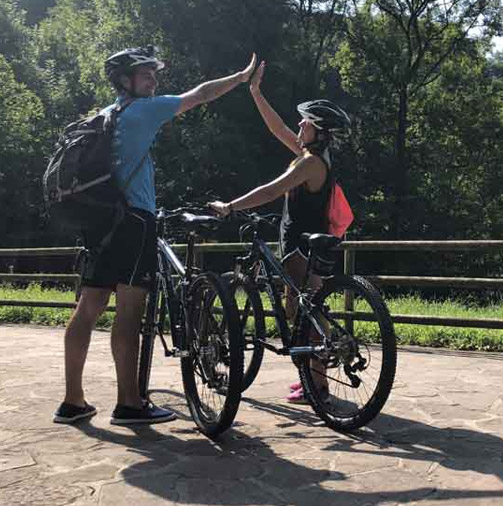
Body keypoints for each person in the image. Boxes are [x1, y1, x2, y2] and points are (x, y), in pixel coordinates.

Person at [53, 46, 259, 425]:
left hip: (100, 223)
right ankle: (130, 403)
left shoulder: (103, 117)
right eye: (146, 74)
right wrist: (241, 77)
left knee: (88, 308)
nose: (154, 80)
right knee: (130, 313)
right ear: (125, 80)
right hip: (133, 222)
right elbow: (200, 94)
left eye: (153, 74)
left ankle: (73, 400)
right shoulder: (143, 111)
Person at [208, 56, 351, 404]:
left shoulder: (309, 163)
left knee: (305, 314)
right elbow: (277, 130)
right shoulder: (313, 156)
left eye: (307, 122)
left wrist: (231, 206)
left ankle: (317, 385)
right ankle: (313, 381)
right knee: (305, 311)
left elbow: (272, 190)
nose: (300, 124)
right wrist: (255, 92)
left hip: (302, 246)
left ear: (319, 132)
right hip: (302, 243)